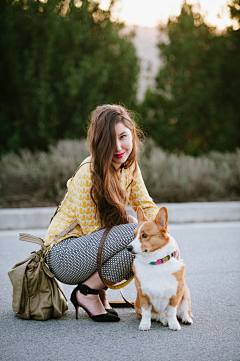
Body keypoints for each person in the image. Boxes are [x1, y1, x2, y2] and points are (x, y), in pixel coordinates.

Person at [44, 104, 160, 322]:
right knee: (137, 233)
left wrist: (166, 238)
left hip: (91, 249)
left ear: (132, 134)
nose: (118, 147)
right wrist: (135, 226)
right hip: (64, 255)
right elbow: (94, 233)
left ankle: (95, 292)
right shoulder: (88, 174)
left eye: (123, 136)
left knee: (143, 238)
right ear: (98, 143)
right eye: (109, 141)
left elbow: (146, 204)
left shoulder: (129, 166)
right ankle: (86, 293)